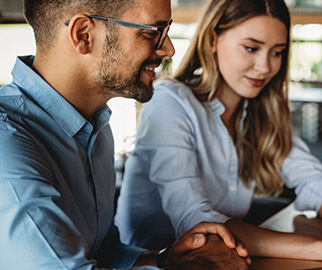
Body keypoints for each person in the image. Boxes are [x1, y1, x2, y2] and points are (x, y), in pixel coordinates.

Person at [115, 0, 322, 266]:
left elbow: (314, 184)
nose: (266, 66)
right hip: (158, 263)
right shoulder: (170, 101)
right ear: (213, 39)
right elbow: (197, 222)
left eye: (277, 52)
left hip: (229, 259)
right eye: (251, 48)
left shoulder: (259, 110)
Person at [0, 0, 250, 269]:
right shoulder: (8, 141)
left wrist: (166, 258)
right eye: (152, 32)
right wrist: (201, 267)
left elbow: (102, 253)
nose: (168, 49)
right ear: (83, 35)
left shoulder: (96, 128)